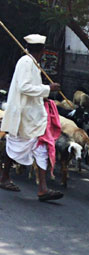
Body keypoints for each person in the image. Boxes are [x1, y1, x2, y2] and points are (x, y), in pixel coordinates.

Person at [0, 34, 63, 201]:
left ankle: (42, 188)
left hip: (31, 114)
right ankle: (6, 177)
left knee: (40, 146)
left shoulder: (31, 62)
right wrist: (48, 88)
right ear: (42, 50)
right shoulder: (26, 63)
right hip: (25, 113)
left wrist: (44, 95)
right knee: (16, 143)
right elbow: (25, 87)